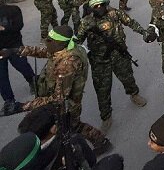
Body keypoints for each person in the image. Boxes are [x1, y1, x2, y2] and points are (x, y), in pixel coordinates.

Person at [3, 25, 111, 154]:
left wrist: (23, 106)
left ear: (59, 43)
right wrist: (16, 50)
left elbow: (58, 98)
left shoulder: (68, 63)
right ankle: (99, 142)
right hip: (59, 99)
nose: (46, 42)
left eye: (49, 40)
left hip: (66, 104)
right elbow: (43, 52)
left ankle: (97, 143)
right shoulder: (62, 49)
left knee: (70, 126)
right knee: (71, 126)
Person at [76, 0, 149, 132]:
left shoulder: (115, 13)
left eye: (101, 5)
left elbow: (131, 23)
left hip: (119, 55)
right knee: (102, 89)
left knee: (127, 77)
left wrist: (144, 32)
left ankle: (134, 94)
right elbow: (77, 41)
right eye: (95, 6)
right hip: (100, 61)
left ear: (106, 4)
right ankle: (106, 116)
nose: (99, 8)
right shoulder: (86, 22)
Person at [0, 0, 35, 116]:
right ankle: (9, 101)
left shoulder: (13, 9)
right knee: (1, 76)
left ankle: (32, 81)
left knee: (22, 66)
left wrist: (3, 28)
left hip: (14, 46)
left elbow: (19, 26)